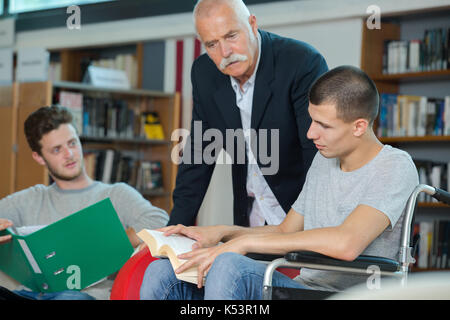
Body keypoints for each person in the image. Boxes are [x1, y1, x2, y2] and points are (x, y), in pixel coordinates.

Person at [139, 65, 419, 300]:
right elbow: (286, 230)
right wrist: (221, 233)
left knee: (229, 266)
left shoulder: (394, 166)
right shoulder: (325, 160)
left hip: (353, 294)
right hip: (305, 289)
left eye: (324, 125)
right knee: (162, 273)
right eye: (311, 120)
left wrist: (241, 245)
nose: (310, 133)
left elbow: (347, 243)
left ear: (359, 126)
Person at [169, 0, 328, 227]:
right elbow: (198, 156)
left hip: (301, 216)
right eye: (212, 44)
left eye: (232, 36)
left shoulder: (301, 62)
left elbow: (316, 154)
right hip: (250, 218)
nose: (226, 52)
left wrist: (303, 227)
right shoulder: (205, 73)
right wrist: (174, 230)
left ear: (252, 24)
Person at [0, 105, 169, 300]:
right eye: (57, 150)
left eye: (72, 143)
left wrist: (110, 244)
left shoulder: (115, 194)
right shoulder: (29, 199)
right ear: (39, 157)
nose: (69, 154)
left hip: (81, 297)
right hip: (30, 296)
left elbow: (159, 219)